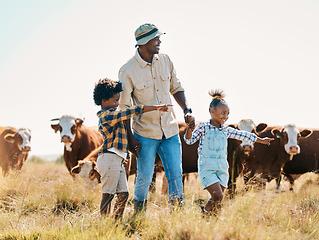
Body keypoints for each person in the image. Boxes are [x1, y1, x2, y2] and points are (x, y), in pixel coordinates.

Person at [118, 23, 194, 214]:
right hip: (144, 133)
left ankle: (177, 214)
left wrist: (186, 110)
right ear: (144, 43)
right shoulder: (127, 71)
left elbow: (176, 88)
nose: (159, 41)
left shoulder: (166, 60)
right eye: (155, 38)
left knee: (176, 174)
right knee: (144, 176)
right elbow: (125, 108)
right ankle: (138, 215)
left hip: (170, 130)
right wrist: (130, 138)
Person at [184, 90, 273, 215]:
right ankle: (206, 213)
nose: (226, 116)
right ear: (212, 112)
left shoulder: (226, 130)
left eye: (228, 114)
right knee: (218, 196)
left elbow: (243, 134)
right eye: (223, 113)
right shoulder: (203, 127)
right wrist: (189, 128)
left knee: (217, 199)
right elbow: (189, 141)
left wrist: (261, 140)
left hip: (222, 168)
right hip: (207, 167)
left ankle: (207, 215)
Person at [93, 78, 172, 219]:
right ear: (104, 101)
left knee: (123, 194)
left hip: (117, 160)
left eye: (118, 100)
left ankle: (115, 224)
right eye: (115, 100)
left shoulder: (115, 116)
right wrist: (156, 107)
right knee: (108, 195)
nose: (118, 104)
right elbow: (131, 111)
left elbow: (124, 130)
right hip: (109, 159)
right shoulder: (107, 116)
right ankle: (103, 226)